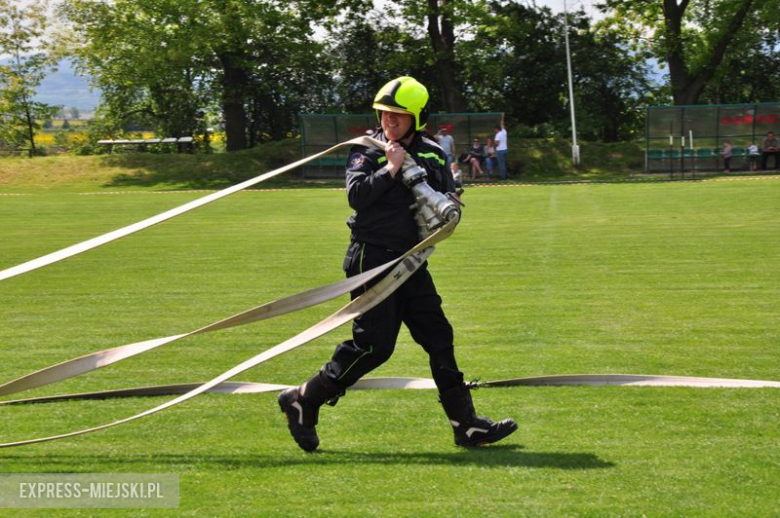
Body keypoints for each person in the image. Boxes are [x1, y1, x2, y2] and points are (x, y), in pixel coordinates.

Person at [278, 76, 517, 452]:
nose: (389, 121)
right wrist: (390, 169)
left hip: (412, 261)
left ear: (417, 117)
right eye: (385, 113)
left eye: (398, 115)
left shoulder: (435, 153)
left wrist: (450, 201)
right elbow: (357, 196)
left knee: (439, 337)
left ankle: (466, 425)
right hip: (370, 257)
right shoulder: (368, 150)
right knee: (374, 347)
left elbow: (444, 191)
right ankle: (304, 399)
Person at [494, 113, 508, 180]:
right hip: (505, 150)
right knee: (504, 164)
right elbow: (502, 124)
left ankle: (503, 178)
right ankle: (506, 176)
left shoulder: (498, 134)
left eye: (495, 129)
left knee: (501, 165)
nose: (494, 131)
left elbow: (497, 143)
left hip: (500, 150)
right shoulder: (504, 132)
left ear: (497, 129)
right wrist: (502, 116)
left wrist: (495, 146)